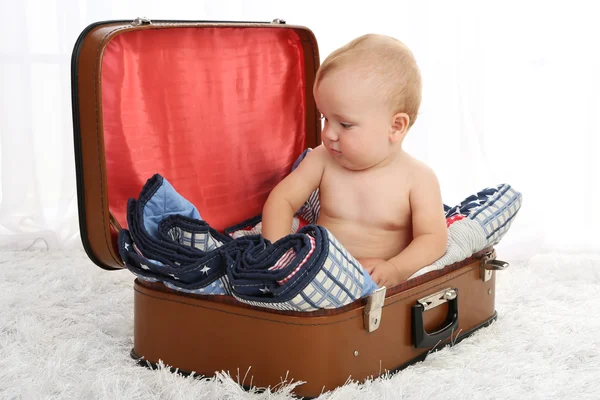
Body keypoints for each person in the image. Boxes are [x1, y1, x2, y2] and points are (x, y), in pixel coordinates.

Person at [261, 34, 448, 288]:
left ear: (396, 126)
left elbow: (433, 238)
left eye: (344, 124)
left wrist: (396, 268)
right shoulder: (322, 161)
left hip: (377, 283)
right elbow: (281, 199)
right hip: (318, 273)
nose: (328, 133)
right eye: (325, 118)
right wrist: (279, 255)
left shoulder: (418, 179)